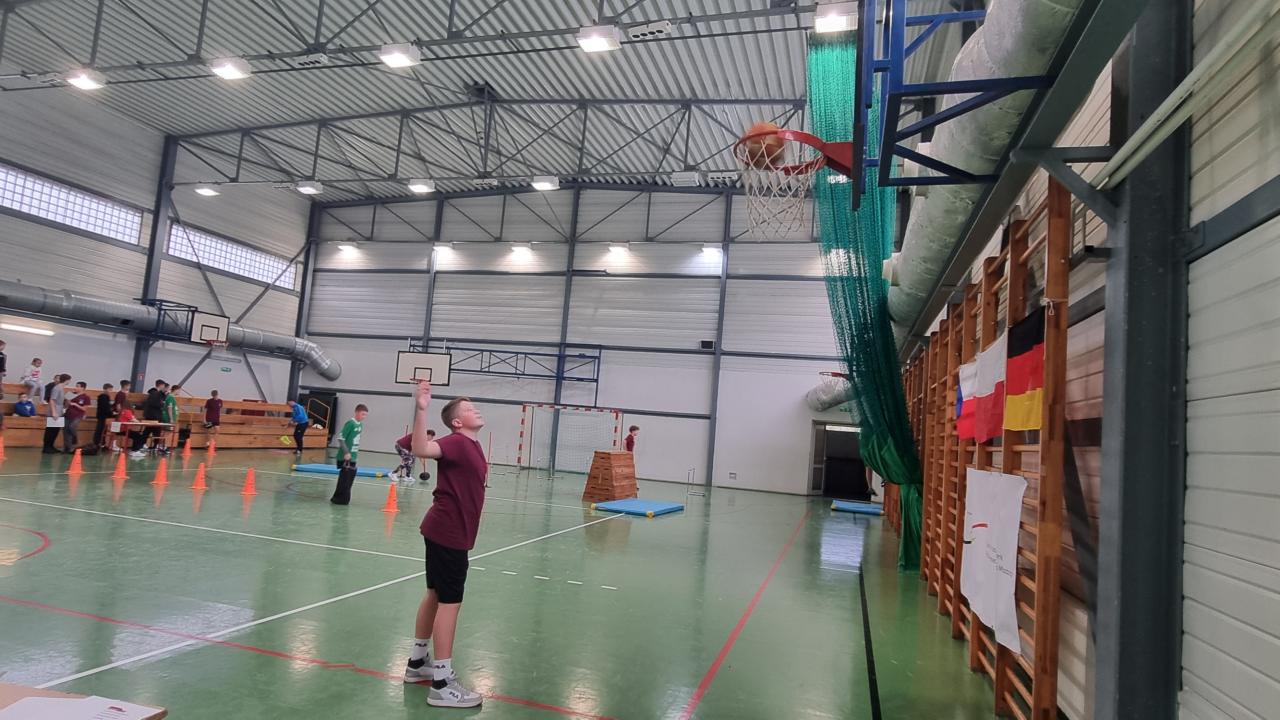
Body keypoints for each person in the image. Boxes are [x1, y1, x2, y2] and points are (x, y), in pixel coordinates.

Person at [402, 381, 486, 708]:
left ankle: (417, 663)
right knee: (450, 603)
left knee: (435, 594)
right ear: (457, 421)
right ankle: (441, 683)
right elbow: (421, 449)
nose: (475, 409)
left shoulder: (471, 445)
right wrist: (421, 409)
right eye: (468, 408)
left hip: (445, 530)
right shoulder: (456, 442)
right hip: (448, 532)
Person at [330, 404, 368, 505]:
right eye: (362, 414)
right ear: (357, 412)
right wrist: (346, 452)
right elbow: (341, 438)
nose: (364, 417)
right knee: (344, 479)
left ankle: (343, 498)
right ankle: (339, 499)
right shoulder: (350, 423)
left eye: (365, 415)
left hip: (353, 456)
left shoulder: (360, 425)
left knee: (350, 478)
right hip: (345, 456)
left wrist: (355, 455)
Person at [130, 380, 168, 456]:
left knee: (152, 432)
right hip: (153, 416)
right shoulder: (154, 393)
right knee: (149, 432)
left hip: (154, 416)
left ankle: (152, 445)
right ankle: (142, 446)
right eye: (164, 386)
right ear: (161, 385)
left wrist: (164, 396)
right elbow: (156, 404)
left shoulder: (157, 394)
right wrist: (162, 404)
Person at [41, 374, 71, 454]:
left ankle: (51, 446)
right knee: (50, 430)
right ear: (66, 380)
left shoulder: (61, 388)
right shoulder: (57, 388)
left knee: (55, 430)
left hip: (59, 410)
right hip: (54, 410)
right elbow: (52, 400)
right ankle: (46, 447)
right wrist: (54, 412)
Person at [63, 381, 92, 452]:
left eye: (78, 386)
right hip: (68, 414)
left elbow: (84, 408)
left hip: (78, 415)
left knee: (72, 426)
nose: (76, 387)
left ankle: (75, 439)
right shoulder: (71, 394)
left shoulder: (86, 397)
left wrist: (75, 404)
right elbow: (65, 406)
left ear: (83, 388)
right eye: (76, 386)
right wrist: (67, 401)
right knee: (66, 430)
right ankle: (67, 447)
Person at [93, 383, 115, 448]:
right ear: (106, 389)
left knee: (101, 430)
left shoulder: (104, 396)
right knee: (100, 430)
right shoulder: (104, 396)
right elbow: (105, 407)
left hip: (102, 415)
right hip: (103, 416)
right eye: (110, 389)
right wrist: (111, 413)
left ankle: (101, 443)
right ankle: (98, 443)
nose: (111, 391)